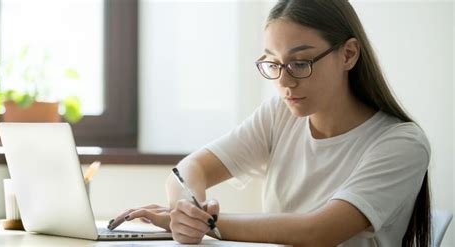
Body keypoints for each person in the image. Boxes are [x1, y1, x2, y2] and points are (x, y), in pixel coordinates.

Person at [108, 0, 431, 246]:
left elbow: (320, 231)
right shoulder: (280, 114)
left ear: (348, 54)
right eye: (273, 64)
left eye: (300, 63)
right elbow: (192, 168)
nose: (285, 82)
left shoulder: (400, 143)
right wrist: (185, 210)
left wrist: (207, 223)